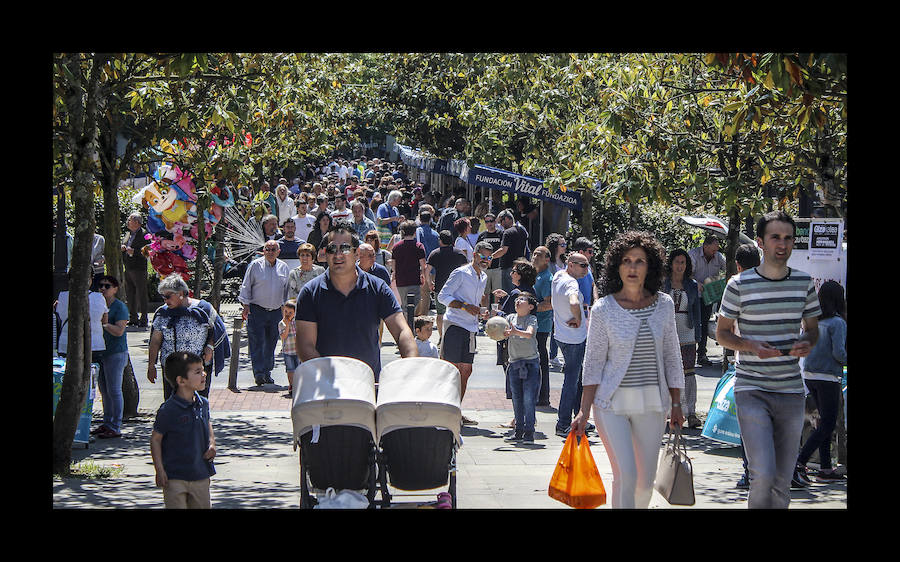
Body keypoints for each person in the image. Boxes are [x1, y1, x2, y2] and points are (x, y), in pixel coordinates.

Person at [571, 231, 686, 509]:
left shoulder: (664, 304)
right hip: (611, 406)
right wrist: (584, 410)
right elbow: (593, 363)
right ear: (616, 266)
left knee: (645, 483)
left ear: (651, 267)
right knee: (627, 475)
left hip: (653, 405)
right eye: (626, 261)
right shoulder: (603, 309)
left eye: (640, 261)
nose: (632, 267)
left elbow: (672, 356)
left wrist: (676, 403)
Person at [716, 211, 821, 509]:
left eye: (788, 238)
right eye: (776, 237)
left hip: (790, 391)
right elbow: (722, 334)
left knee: (782, 479)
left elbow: (813, 331)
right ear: (761, 242)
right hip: (751, 389)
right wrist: (750, 345)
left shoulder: (804, 283)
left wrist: (807, 343)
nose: (782, 244)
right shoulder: (738, 284)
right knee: (762, 473)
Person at [295, 225, 417, 380]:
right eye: (332, 249)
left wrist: (411, 363)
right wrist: (331, 378)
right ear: (325, 254)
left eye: (345, 248)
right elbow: (305, 345)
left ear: (356, 253)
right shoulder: (310, 292)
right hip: (326, 389)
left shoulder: (378, 288)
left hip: (368, 387)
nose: (338, 254)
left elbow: (401, 331)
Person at [795, 280, 847, 483]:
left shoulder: (814, 320)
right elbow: (839, 353)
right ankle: (800, 460)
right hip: (828, 377)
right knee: (828, 423)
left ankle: (825, 468)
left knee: (823, 421)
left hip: (810, 375)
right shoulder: (838, 323)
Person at [437, 241, 494, 425]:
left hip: (471, 328)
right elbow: (442, 296)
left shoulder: (483, 277)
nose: (486, 260)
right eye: (483, 256)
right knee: (450, 369)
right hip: (455, 324)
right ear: (475, 255)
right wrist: (464, 306)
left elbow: (475, 304)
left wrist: (480, 311)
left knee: (466, 370)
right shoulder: (461, 273)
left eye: (489, 257)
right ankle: (444, 410)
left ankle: (456, 412)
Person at [150, 351, 216, 509]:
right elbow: (156, 439)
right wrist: (159, 469)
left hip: (200, 474)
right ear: (181, 380)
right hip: (174, 477)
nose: (204, 374)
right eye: (198, 372)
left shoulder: (203, 403)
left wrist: (212, 443)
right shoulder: (168, 409)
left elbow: (207, 423)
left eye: (203, 369)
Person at [726, 242, 761, 490]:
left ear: (738, 264)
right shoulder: (771, 284)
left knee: (747, 423)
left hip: (745, 365)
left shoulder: (735, 286)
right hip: (775, 365)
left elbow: (725, 330)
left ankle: (749, 472)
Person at [147, 274, 216, 400]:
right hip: (171, 368)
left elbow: (215, 331)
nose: (165, 301)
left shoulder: (203, 309)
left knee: (199, 403)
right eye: (163, 297)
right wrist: (151, 365)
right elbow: (155, 341)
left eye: (168, 296)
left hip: (197, 368)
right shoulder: (162, 313)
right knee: (172, 402)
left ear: (180, 293)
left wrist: (210, 347)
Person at [551, 252, 593, 437]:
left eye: (588, 265)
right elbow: (574, 301)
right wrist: (578, 319)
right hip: (574, 338)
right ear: (571, 264)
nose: (587, 269)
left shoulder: (559, 275)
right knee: (572, 381)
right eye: (583, 266)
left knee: (577, 379)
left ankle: (579, 418)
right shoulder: (571, 283)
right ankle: (563, 424)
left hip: (561, 334)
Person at [238, 239, 291, 386]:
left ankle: (267, 372)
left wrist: (286, 310)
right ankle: (259, 373)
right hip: (257, 309)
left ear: (278, 252)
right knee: (257, 342)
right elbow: (246, 286)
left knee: (271, 342)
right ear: (264, 251)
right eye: (267, 249)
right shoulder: (255, 265)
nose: (270, 252)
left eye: (273, 249)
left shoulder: (284, 267)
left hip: (275, 311)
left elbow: (286, 290)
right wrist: (245, 305)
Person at [663, 248, 703, 429]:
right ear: (671, 264)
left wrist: (698, 335)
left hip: (687, 331)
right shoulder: (663, 284)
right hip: (666, 332)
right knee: (666, 372)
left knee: (688, 372)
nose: (680, 266)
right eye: (677, 262)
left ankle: (690, 412)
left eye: (683, 262)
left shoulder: (692, 285)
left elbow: (696, 311)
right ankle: (667, 412)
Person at [95, 275, 130, 439]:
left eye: (107, 286)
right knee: (104, 390)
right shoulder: (98, 304)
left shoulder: (120, 307)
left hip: (116, 353)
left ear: (115, 289)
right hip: (100, 352)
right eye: (100, 286)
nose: (102, 289)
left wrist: (104, 323)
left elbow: (119, 331)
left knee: (114, 390)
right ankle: (107, 423)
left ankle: (115, 426)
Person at [503, 292, 540, 444]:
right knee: (517, 398)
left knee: (529, 399)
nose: (518, 301)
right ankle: (518, 431)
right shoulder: (510, 318)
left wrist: (515, 332)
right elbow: (501, 330)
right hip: (514, 363)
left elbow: (529, 334)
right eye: (517, 299)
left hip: (530, 363)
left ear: (530, 306)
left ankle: (529, 432)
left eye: (522, 300)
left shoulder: (532, 319)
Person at [688, 235, 726, 366]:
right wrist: (696, 283)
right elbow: (686, 274)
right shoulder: (693, 255)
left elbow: (728, 269)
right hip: (693, 295)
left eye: (716, 250)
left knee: (704, 324)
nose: (715, 253)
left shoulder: (718, 257)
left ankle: (702, 354)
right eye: (713, 250)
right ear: (705, 246)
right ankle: (689, 354)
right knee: (692, 324)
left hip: (708, 296)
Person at [426, 230, 469, 345]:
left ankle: (442, 337)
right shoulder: (460, 253)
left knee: (440, 313)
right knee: (456, 312)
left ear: (440, 241)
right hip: (457, 289)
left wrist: (430, 283)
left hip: (440, 288)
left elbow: (427, 270)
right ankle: (455, 337)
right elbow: (467, 270)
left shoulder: (435, 253)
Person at [55, 273, 109, 362]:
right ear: (91, 279)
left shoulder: (62, 296)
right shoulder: (99, 297)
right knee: (94, 372)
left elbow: (59, 317)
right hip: (95, 344)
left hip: (66, 344)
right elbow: (105, 320)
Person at [530, 246, 554, 407]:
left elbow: (549, 303)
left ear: (547, 259)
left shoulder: (546, 278)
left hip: (542, 325)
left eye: (540, 254)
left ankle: (543, 396)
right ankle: (538, 394)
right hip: (533, 324)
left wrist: (530, 307)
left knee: (541, 360)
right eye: (534, 253)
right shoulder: (535, 275)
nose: (535, 256)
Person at [391, 220, 428, 321]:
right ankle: (410, 328)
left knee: (404, 306)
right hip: (414, 280)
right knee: (413, 305)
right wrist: (424, 277)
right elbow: (423, 265)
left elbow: (393, 266)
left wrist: (395, 274)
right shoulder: (419, 246)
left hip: (401, 281)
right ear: (414, 232)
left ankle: (406, 326)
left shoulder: (396, 247)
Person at [121, 212, 150, 327]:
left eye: (130, 220)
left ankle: (144, 318)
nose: (128, 222)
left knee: (141, 293)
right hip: (128, 267)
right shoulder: (128, 234)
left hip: (139, 268)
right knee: (130, 293)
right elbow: (124, 244)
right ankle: (133, 318)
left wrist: (135, 252)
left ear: (137, 222)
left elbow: (148, 251)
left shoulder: (144, 234)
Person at [493, 209, 529, 295]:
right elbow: (525, 249)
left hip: (508, 267)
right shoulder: (522, 231)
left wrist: (490, 257)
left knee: (508, 294)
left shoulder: (507, 233)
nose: (500, 224)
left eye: (501, 221)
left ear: (507, 219)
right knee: (518, 292)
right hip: (520, 267)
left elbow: (503, 250)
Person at [476, 212, 503, 307]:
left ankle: (496, 313)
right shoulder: (482, 235)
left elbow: (503, 250)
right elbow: (477, 252)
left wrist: (492, 257)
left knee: (497, 294)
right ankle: (485, 314)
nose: (489, 223)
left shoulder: (501, 234)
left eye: (491, 221)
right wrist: (485, 259)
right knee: (484, 294)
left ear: (495, 222)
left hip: (497, 268)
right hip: (484, 269)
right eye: (486, 221)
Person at [279, 299, 299, 398]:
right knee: (290, 370)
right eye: (285, 311)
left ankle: (298, 386)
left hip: (298, 350)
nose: (287, 314)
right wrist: (287, 325)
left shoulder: (297, 322)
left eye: (290, 312)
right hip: (288, 350)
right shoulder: (281, 323)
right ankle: (291, 385)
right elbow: (283, 336)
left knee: (299, 369)